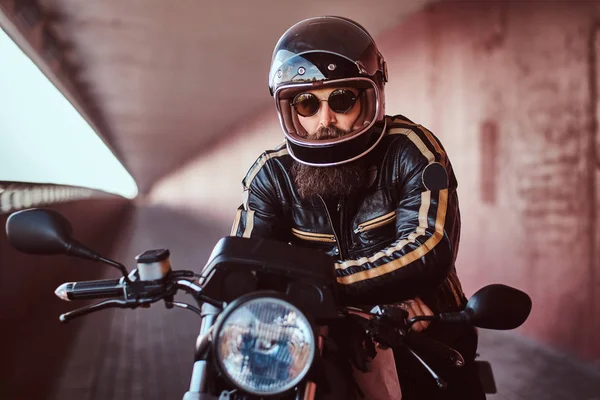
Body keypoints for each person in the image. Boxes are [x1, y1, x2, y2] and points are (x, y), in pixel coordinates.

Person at [231, 15, 485, 400]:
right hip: (314, 333)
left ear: (371, 96)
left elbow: (429, 247)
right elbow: (244, 267)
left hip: (423, 331)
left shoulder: (411, 150)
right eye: (305, 103)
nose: (325, 119)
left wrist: (312, 283)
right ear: (289, 109)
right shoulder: (271, 175)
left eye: (341, 99)